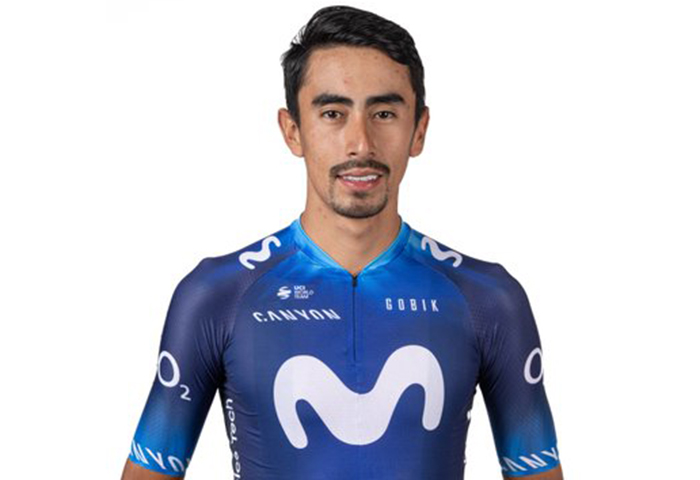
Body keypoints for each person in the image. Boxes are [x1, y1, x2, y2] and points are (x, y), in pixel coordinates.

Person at [121, 5, 563, 480]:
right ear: (293, 131)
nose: (361, 143)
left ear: (418, 131)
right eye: (333, 113)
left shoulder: (488, 299)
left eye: (384, 113)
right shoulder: (217, 295)